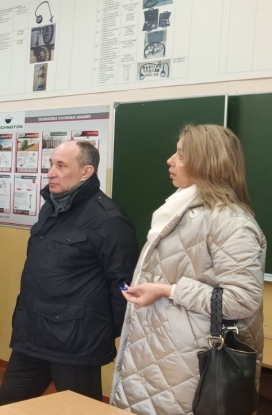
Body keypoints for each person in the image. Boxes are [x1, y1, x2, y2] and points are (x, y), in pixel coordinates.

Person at [109, 124, 266, 414]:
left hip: (191, 367)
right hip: (163, 356)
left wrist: (167, 290)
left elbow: (242, 300)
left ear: (206, 163)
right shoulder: (182, 211)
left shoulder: (231, 222)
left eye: (181, 155)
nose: (170, 160)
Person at [0, 140, 138, 405]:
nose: (51, 172)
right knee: (9, 401)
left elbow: (123, 284)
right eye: (51, 164)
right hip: (33, 334)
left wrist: (104, 332)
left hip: (76, 342)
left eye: (61, 166)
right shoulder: (51, 207)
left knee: (79, 408)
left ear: (86, 172)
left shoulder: (109, 220)